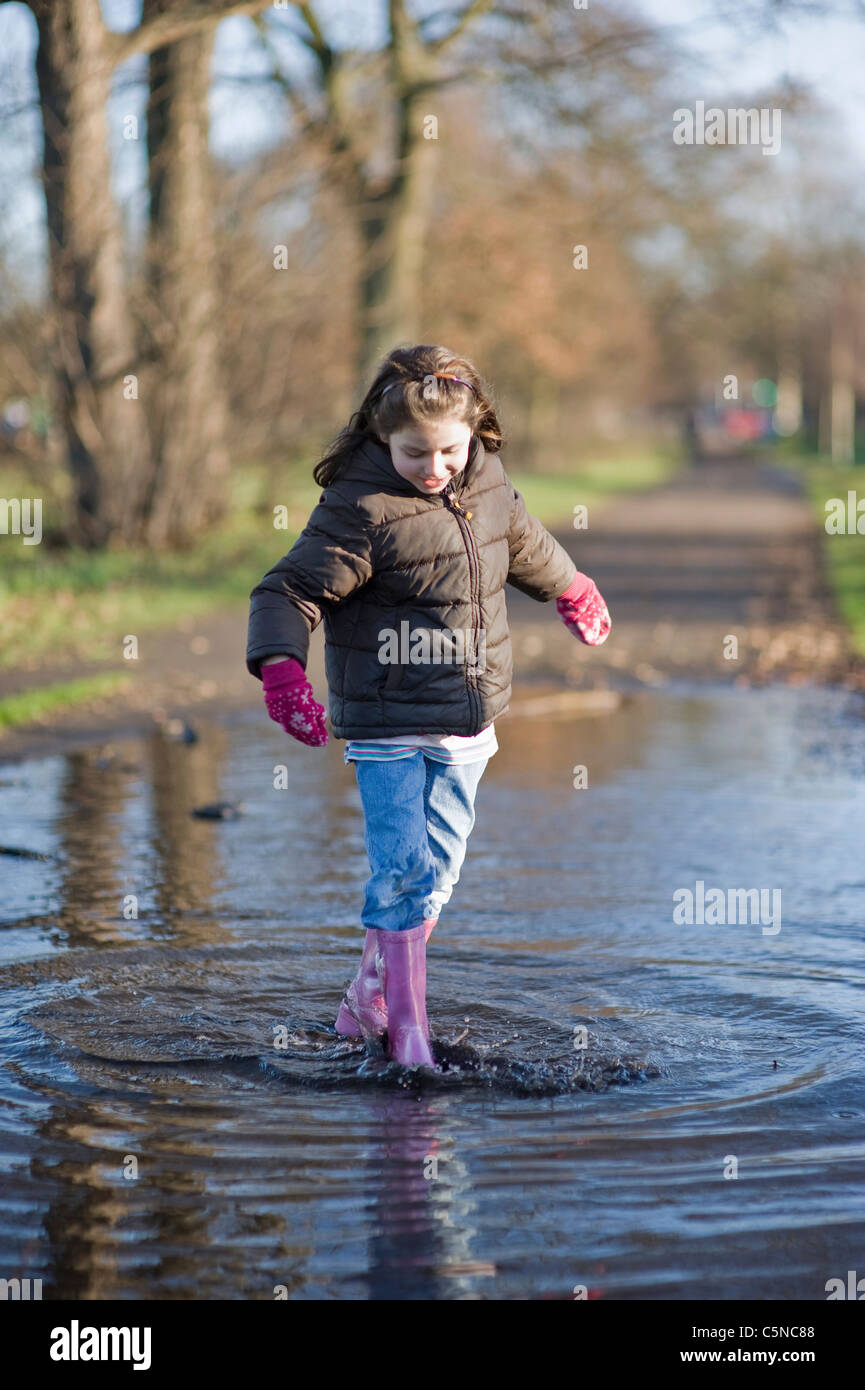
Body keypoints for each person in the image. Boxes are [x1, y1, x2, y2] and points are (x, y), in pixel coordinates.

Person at [246, 344, 611, 1070]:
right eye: (416, 452)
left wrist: (572, 587)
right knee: (404, 869)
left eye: (449, 449)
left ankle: (365, 999)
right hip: (385, 719)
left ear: (476, 432)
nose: (435, 467)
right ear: (384, 438)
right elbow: (287, 590)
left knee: (438, 872)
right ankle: (409, 1035)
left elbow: (526, 545)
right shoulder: (361, 506)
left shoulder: (491, 488)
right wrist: (282, 670)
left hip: (466, 717)